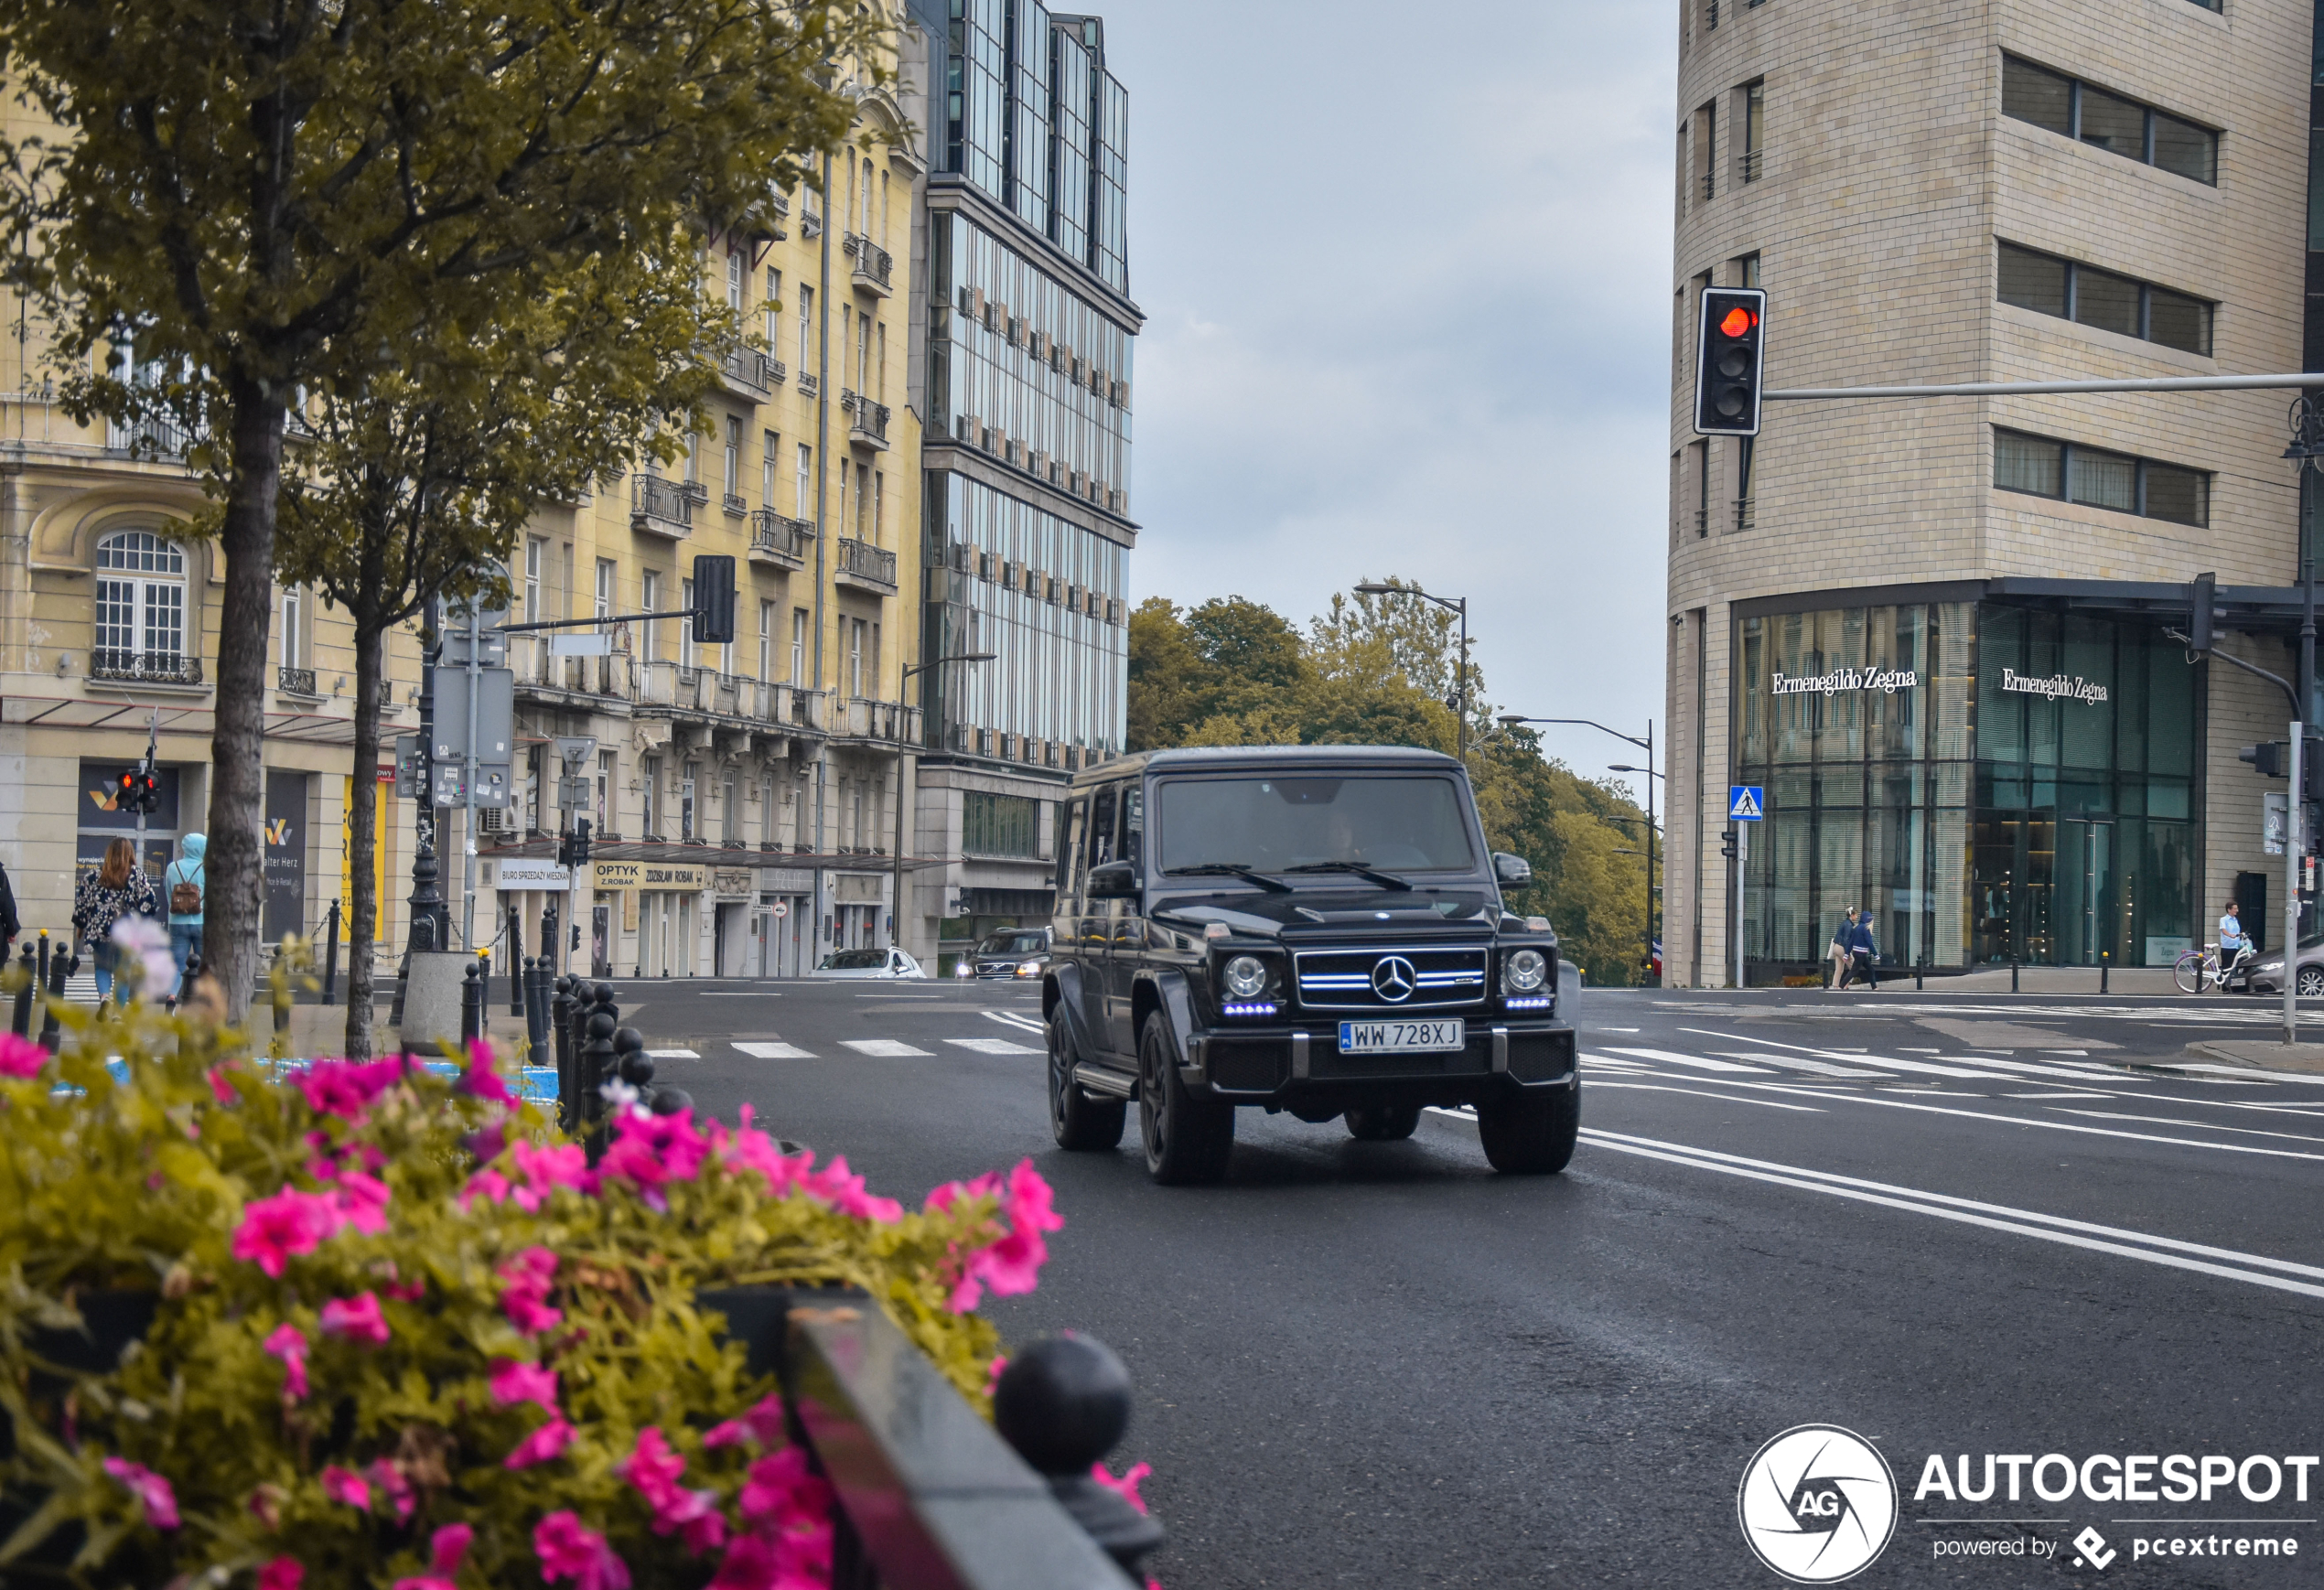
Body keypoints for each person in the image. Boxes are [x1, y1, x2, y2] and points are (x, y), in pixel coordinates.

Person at [72, 837, 158, 1005]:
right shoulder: (136, 875)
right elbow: (150, 904)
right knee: (123, 971)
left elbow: (82, 904)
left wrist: (81, 927)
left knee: (102, 968)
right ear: (130, 854)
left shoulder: (94, 875)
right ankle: (118, 1013)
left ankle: (104, 998)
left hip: (100, 929)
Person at [165, 833, 206, 997]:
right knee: (203, 965)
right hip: (202, 922)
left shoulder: (172, 867)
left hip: (177, 922)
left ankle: (171, 998)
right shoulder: (206, 868)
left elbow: (169, 893)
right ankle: (202, 1002)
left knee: (177, 965)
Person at [2218, 899, 2252, 991]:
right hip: (2227, 947)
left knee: (2236, 967)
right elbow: (2223, 930)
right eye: (2235, 909)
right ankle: (2225, 988)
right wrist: (2229, 935)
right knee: (2227, 967)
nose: (2237, 910)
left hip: (2236, 946)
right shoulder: (2223, 919)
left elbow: (2237, 932)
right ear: (2229, 910)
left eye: (2237, 908)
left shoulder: (2235, 920)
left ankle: (2234, 986)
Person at [1845, 911, 1881, 991]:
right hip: (1861, 953)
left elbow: (1851, 942)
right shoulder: (1865, 928)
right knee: (1854, 971)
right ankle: (1841, 986)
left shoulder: (1857, 927)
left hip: (1858, 952)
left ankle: (1874, 987)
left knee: (1870, 969)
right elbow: (1870, 943)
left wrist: (1846, 954)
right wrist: (1876, 955)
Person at [1827, 908, 1856, 990]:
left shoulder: (1844, 923)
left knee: (1839, 969)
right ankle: (1846, 984)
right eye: (1856, 915)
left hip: (1836, 947)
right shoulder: (1849, 925)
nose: (1857, 917)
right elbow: (1846, 940)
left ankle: (1835, 986)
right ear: (1852, 915)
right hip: (1842, 948)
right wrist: (1847, 953)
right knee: (1854, 966)